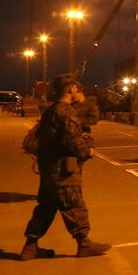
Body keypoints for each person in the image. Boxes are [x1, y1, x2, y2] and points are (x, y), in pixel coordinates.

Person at [21, 78, 111, 260]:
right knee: (74, 204)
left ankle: (30, 246)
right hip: (63, 169)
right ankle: (84, 243)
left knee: (45, 207)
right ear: (70, 88)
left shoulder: (50, 110)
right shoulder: (66, 112)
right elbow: (72, 142)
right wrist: (88, 151)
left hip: (48, 168)